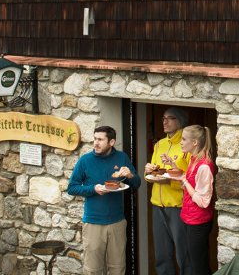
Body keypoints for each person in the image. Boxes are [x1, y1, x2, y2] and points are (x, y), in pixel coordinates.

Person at [68, 126, 137, 275]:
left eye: (100, 139)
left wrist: (130, 175)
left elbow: (136, 184)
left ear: (111, 142)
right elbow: (72, 188)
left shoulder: (122, 158)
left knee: (118, 269)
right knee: (93, 270)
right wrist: (94, 189)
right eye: (95, 139)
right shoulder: (85, 160)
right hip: (93, 223)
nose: (96, 143)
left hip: (117, 223)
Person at [144, 107, 191, 275]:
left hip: (178, 207)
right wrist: (148, 170)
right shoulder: (159, 145)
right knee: (162, 256)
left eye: (170, 118)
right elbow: (152, 174)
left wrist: (170, 181)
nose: (164, 121)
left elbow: (190, 180)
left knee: (184, 255)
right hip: (157, 206)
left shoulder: (187, 145)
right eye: (164, 118)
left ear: (180, 122)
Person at [178, 124, 215, 275]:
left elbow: (203, 201)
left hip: (198, 222)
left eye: (183, 139)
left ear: (194, 143)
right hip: (189, 218)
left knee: (199, 267)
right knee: (194, 263)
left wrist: (185, 182)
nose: (180, 142)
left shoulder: (204, 166)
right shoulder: (193, 159)